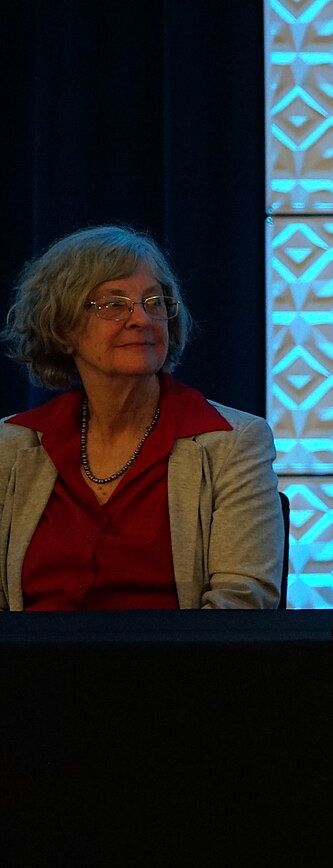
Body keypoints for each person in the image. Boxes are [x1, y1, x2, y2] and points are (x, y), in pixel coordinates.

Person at [1, 225, 282, 610]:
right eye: (113, 304)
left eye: (154, 302)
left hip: (176, 666)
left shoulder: (232, 441)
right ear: (62, 329)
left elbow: (241, 600)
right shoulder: (12, 444)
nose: (141, 319)